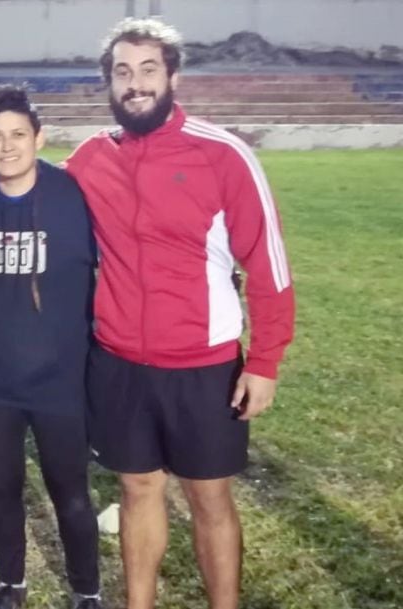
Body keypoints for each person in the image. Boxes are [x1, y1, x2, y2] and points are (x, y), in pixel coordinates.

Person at [64, 18, 296, 609]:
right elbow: (29, 199)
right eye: (122, 72)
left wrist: (264, 361)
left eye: (147, 70)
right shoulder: (91, 158)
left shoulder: (222, 155)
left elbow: (268, 265)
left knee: (208, 498)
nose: (135, 83)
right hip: (119, 361)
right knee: (138, 488)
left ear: (172, 76)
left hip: (204, 364)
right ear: (108, 83)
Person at [0, 87, 103, 609]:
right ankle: (11, 581)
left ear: (38, 138)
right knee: (2, 490)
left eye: (18, 134)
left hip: (60, 381)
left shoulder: (74, 196)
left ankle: (87, 589)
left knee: (71, 494)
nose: (8, 146)